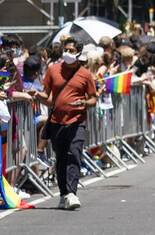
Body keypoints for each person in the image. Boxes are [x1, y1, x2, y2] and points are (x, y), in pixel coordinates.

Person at [30, 36, 97, 209]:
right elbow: (48, 98)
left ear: (79, 53)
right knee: (60, 158)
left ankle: (72, 193)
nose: (67, 53)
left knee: (74, 153)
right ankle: (63, 193)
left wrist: (83, 103)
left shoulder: (85, 74)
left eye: (71, 51)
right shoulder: (53, 70)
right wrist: (36, 94)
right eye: (65, 50)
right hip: (57, 121)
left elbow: (93, 99)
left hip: (77, 121)